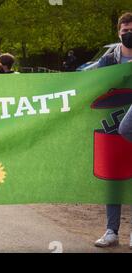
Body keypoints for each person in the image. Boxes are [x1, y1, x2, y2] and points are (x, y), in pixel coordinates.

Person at [94, 12, 132, 249]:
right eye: (125, 30)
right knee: (114, 180)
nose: (128, 33)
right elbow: (91, 84)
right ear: (118, 32)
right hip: (113, 127)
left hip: (128, 127)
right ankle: (111, 231)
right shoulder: (109, 59)